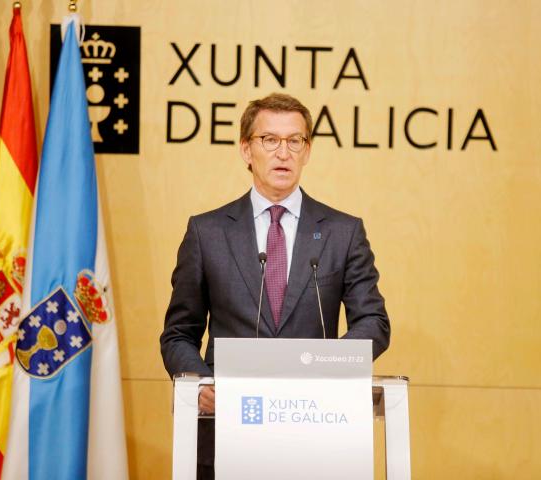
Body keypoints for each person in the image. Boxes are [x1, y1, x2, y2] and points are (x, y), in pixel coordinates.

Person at [160, 92, 390, 479]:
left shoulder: (343, 232)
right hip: (227, 429)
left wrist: (328, 368)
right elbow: (179, 332)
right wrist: (200, 384)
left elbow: (374, 323)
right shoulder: (207, 232)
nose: (283, 152)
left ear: (307, 151)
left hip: (315, 429)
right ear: (246, 150)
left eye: (295, 141)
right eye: (270, 140)